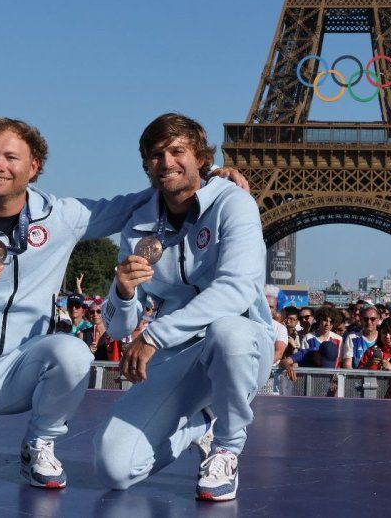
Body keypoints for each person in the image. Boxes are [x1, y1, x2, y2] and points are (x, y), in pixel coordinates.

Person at [0, 116, 248, 490]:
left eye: (11, 157)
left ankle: (39, 441)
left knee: (73, 352)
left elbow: (155, 195)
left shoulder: (62, 217)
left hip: (27, 365)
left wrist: (209, 176)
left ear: (33, 167)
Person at [93, 113, 273, 502]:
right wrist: (122, 292)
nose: (167, 162)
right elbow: (122, 329)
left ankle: (227, 444)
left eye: (177, 151)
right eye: (156, 155)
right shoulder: (139, 223)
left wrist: (156, 333)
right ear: (145, 164)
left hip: (240, 345)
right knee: (114, 467)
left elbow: (238, 288)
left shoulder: (234, 204)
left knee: (229, 332)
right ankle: (203, 424)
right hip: (179, 354)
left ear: (201, 158)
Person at [340, 305, 380, 369]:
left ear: (378, 320)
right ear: (361, 320)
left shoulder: (383, 337)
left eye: (372, 319)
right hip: (357, 377)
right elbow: (347, 365)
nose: (369, 322)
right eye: (365, 319)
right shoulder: (352, 337)